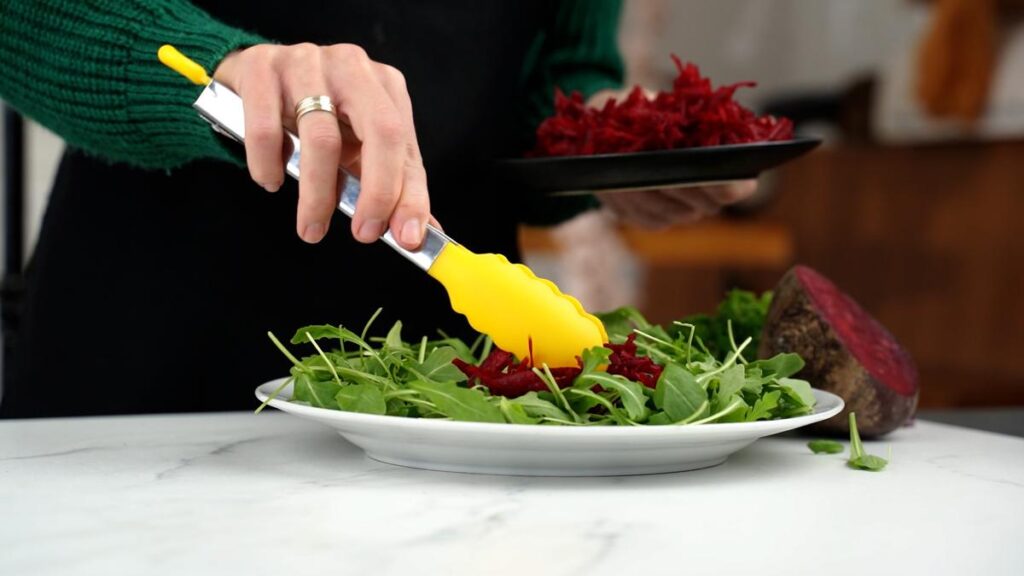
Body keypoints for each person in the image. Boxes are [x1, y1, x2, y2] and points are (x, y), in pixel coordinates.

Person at [0, 0, 756, 418]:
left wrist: (608, 148)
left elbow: (555, 74)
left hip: (459, 389)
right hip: (147, 360)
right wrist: (232, 82)